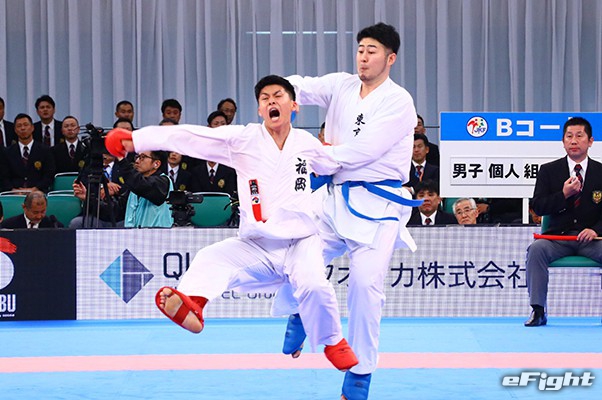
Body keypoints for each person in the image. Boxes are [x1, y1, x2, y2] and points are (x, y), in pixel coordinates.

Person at [104, 74, 359, 373]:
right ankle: (193, 303)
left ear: (294, 105)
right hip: (258, 244)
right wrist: (137, 140)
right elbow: (191, 137)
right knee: (211, 257)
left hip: (301, 241)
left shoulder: (307, 143)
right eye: (265, 98)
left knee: (314, 284)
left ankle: (333, 342)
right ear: (259, 110)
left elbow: (335, 164)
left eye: (278, 96)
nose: (272, 101)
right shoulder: (243, 139)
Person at [282, 22, 420, 400]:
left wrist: (317, 154)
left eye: (372, 51)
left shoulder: (398, 101)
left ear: (390, 59)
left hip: (379, 205)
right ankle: (305, 312)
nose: (363, 56)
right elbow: (301, 86)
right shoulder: (341, 85)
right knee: (293, 254)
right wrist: (277, 92)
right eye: (360, 49)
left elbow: (364, 151)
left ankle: (359, 375)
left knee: (364, 285)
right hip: (334, 200)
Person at [524, 116, 602, 327]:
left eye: (579, 136)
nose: (573, 141)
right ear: (563, 141)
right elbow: (538, 206)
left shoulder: (600, 172)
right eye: (569, 136)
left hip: (592, 240)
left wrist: (595, 230)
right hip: (558, 239)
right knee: (536, 250)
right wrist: (564, 195)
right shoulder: (549, 171)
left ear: (590, 141)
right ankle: (538, 310)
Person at [4, 113, 56, 193]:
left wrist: (35, 189)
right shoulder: (7, 152)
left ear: (32, 127)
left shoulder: (45, 150)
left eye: (26, 125)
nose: (23, 128)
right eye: (19, 126)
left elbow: (49, 174)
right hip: (14, 193)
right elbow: (4, 176)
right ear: (15, 130)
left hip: (39, 193)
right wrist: (13, 190)